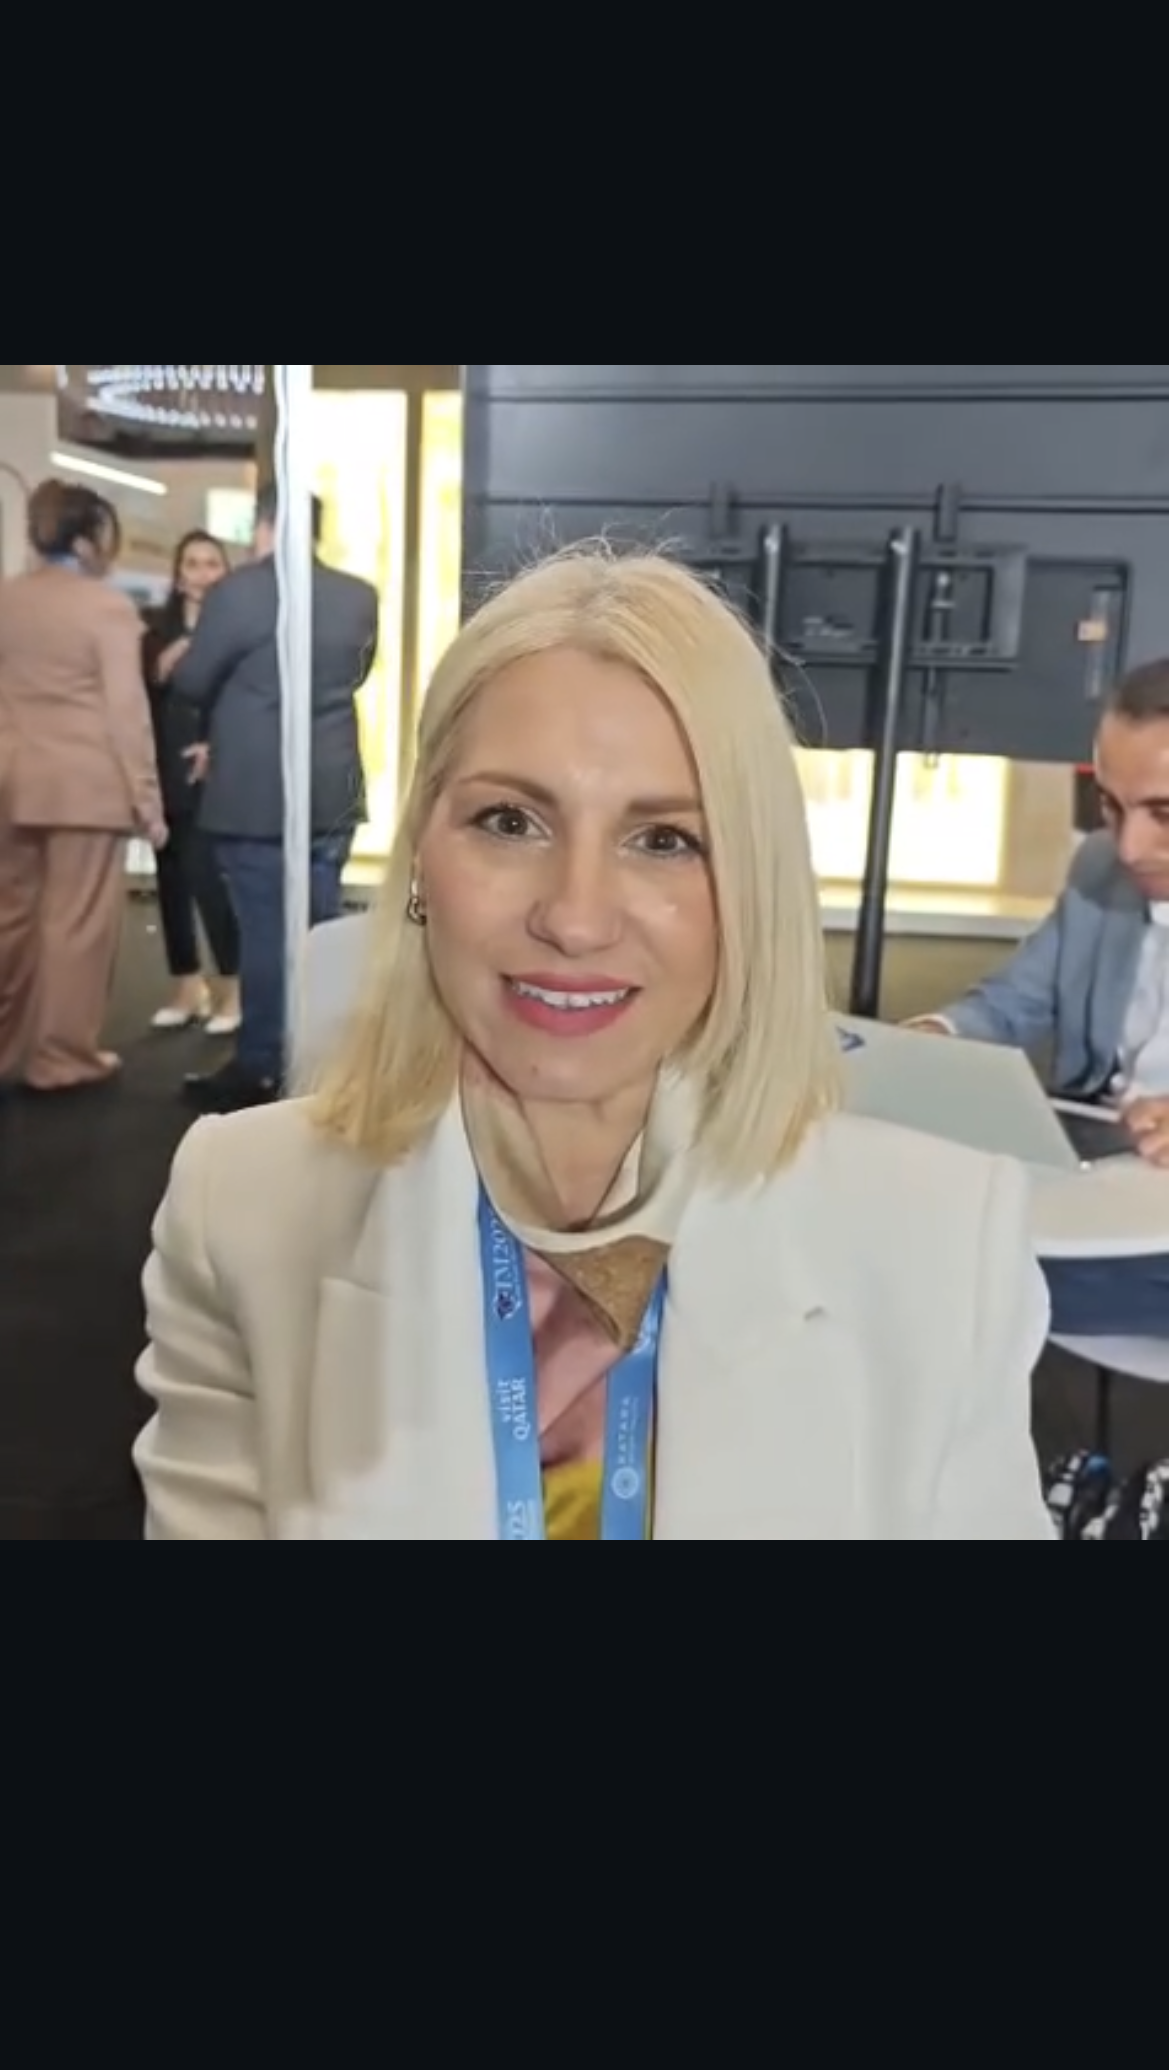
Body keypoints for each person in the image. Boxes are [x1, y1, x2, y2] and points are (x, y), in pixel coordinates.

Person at [135, 548, 1053, 1541]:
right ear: (421, 859)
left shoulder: (943, 1246)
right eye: (509, 821)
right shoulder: (243, 1208)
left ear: (751, 889)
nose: (575, 920)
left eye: (664, 840)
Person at [910, 657, 1168, 1340]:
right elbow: (1009, 1005)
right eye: (1110, 805)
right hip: (1094, 1175)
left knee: (947, 1276)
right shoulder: (1099, 872)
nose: (1131, 847)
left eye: (1165, 814)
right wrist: (931, 1043)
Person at [171, 483, 379, 1114]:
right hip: (331, 787)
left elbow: (192, 680)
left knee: (265, 931)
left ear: (263, 526)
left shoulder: (238, 593)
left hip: (255, 791)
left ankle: (263, 1064)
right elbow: (357, 674)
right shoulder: (357, 596)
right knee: (319, 926)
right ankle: (321, 1062)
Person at [0, 480, 165, 1094]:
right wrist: (148, 800)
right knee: (76, 926)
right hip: (84, 787)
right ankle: (61, 1057)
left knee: (9, 919)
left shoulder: (7, 599)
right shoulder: (106, 608)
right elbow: (126, 712)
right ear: (89, 536)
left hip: (9, 778)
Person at [141, 530, 241, 1034]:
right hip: (164, 762)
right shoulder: (155, 627)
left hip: (216, 764)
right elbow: (151, 681)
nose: (202, 573)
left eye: (211, 563)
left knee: (209, 880)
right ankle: (185, 984)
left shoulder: (239, 626)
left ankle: (232, 988)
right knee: (171, 881)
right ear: (179, 574)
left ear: (225, 572)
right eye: (192, 564)